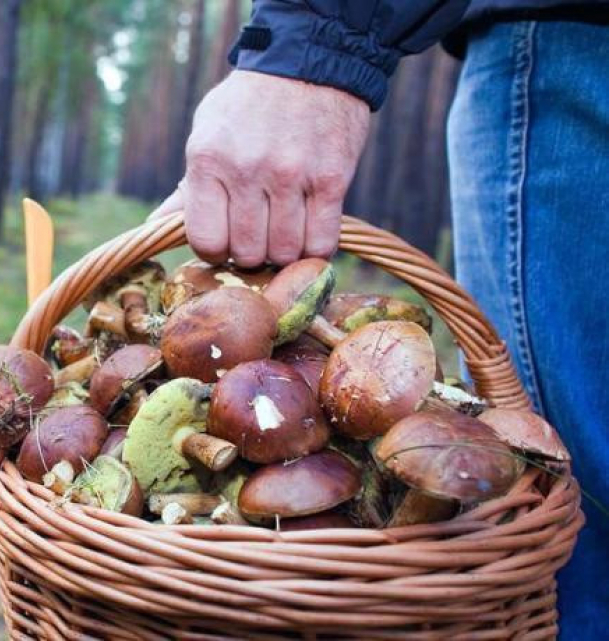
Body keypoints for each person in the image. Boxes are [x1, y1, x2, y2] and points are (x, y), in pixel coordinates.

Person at [150, 1, 609, 638]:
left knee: (564, 521)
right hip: (577, 47)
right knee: (581, 517)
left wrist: (313, 47)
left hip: (571, 49)